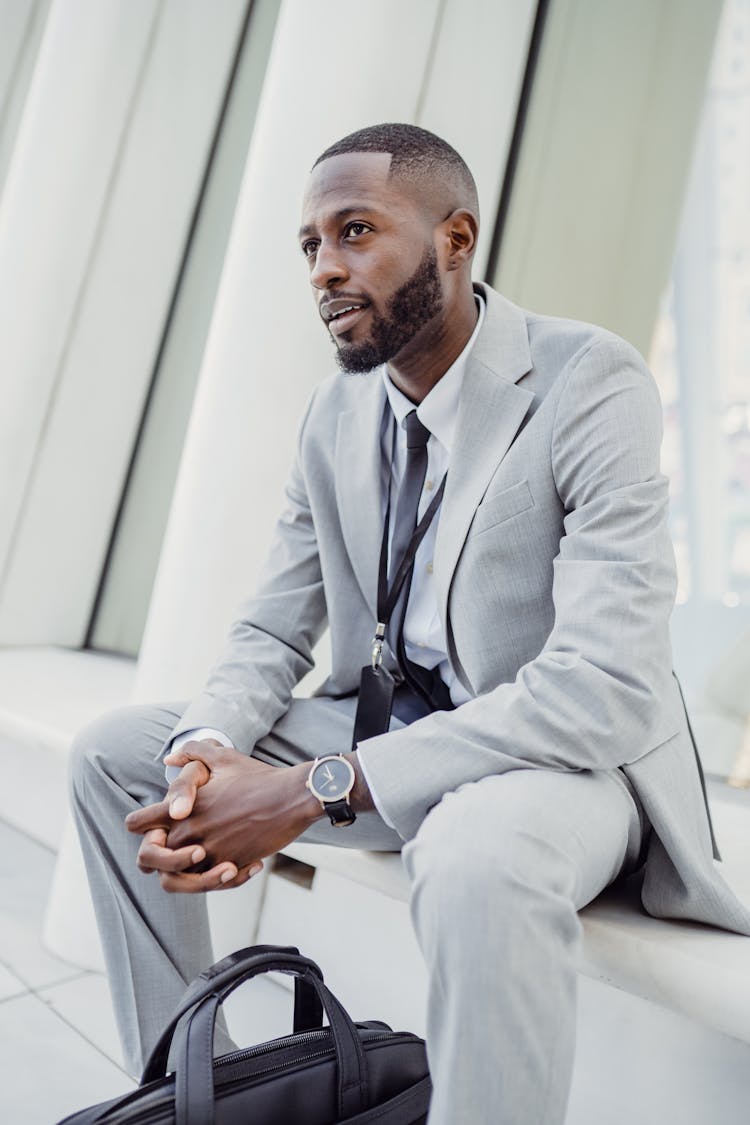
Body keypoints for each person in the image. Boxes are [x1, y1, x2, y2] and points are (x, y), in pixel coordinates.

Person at [71, 123, 750, 1125]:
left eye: (356, 232)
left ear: (455, 240)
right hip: (387, 730)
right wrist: (208, 757)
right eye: (310, 245)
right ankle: (197, 1105)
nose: (326, 269)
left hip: (555, 762)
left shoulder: (589, 383)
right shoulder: (332, 417)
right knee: (117, 758)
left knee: (475, 854)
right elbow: (271, 631)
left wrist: (309, 790)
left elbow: (602, 689)